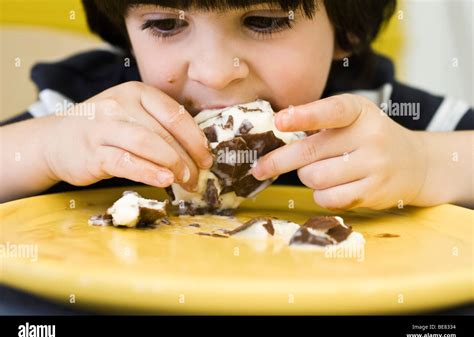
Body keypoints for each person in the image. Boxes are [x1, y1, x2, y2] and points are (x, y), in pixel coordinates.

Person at [1, 0, 472, 209]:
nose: (213, 71)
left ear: (346, 33)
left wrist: (426, 165)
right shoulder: (94, 111)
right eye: (166, 24)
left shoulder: (375, 111)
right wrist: (44, 147)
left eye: (263, 22)